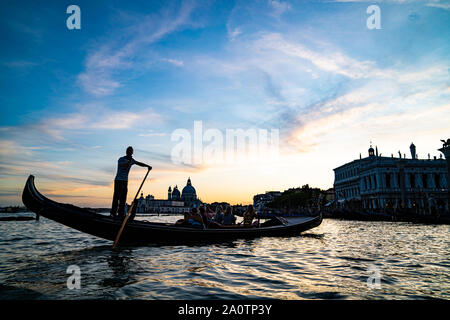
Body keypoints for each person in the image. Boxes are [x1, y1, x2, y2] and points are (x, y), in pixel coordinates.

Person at [110, 146, 152, 219]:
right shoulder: (121, 159)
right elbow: (124, 166)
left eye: (131, 151)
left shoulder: (132, 160)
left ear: (132, 152)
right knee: (116, 197)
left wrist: (147, 166)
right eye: (129, 151)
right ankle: (113, 213)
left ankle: (121, 214)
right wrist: (130, 161)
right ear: (126, 152)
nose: (130, 152)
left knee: (123, 198)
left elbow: (139, 163)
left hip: (125, 181)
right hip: (118, 181)